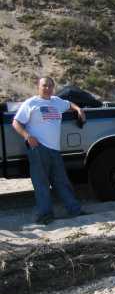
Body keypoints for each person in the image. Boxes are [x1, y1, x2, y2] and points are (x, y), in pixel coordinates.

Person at [12, 77, 87, 225]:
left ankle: (75, 209)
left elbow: (69, 104)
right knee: (41, 183)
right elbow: (16, 122)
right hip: (38, 148)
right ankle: (45, 214)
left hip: (54, 150)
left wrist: (78, 109)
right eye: (44, 86)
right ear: (38, 87)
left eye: (50, 86)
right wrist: (27, 136)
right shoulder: (31, 103)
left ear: (53, 88)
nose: (47, 88)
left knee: (62, 182)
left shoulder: (56, 101)